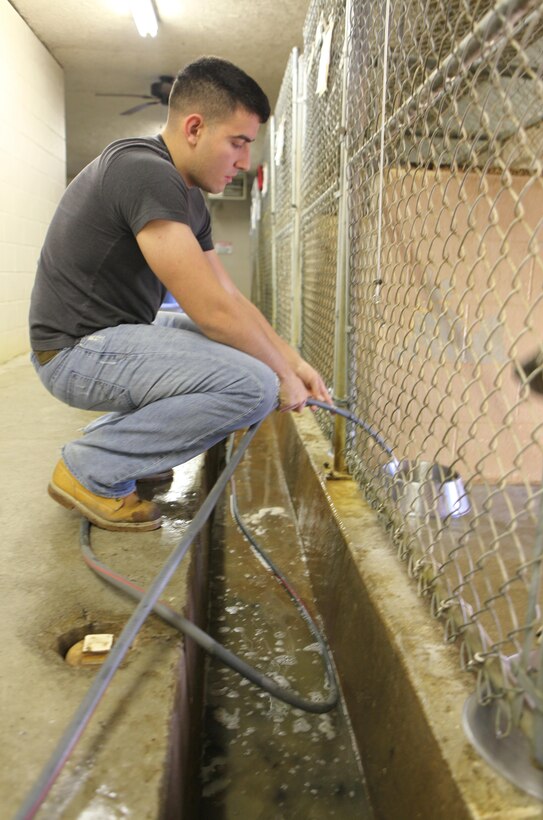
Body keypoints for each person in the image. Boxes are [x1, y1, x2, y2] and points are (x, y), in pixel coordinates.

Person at [29, 56, 332, 533]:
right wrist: (278, 377)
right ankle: (92, 469)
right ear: (194, 127)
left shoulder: (189, 196)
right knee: (253, 386)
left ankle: (118, 447)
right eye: (238, 142)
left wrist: (292, 361)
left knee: (254, 363)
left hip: (114, 335)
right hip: (73, 353)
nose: (244, 161)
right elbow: (212, 312)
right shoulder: (143, 169)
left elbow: (229, 297)